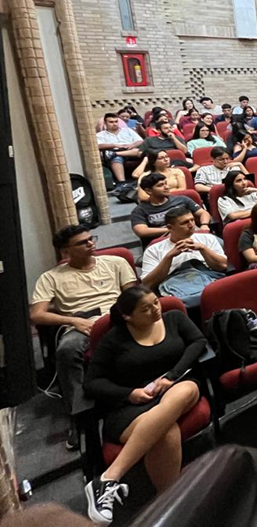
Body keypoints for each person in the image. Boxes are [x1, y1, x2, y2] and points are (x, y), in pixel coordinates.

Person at [82, 286, 205, 525]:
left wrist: (172, 376)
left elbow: (198, 341)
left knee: (186, 390)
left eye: (156, 303)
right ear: (128, 316)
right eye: (145, 309)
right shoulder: (114, 339)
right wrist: (130, 394)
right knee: (166, 430)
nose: (155, 310)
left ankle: (109, 477)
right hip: (132, 406)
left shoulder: (174, 318)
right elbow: (91, 383)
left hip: (175, 385)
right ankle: (168, 504)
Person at [30, 226, 138, 451]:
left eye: (91, 239)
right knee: (67, 351)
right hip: (81, 324)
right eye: (83, 242)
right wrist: (72, 321)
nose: (91, 244)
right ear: (65, 252)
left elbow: (133, 295)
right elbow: (37, 314)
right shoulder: (50, 277)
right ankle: (80, 415)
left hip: (116, 317)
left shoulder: (116, 263)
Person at [141, 208, 227, 305]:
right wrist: (169, 257)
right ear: (170, 227)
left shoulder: (207, 239)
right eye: (184, 223)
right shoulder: (153, 250)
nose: (191, 225)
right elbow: (147, 284)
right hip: (176, 288)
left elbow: (222, 266)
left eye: (192, 220)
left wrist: (203, 249)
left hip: (208, 280)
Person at [131, 174, 210, 245]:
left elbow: (203, 213)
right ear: (149, 191)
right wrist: (174, 230)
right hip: (164, 243)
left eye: (166, 183)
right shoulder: (140, 210)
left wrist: (204, 225)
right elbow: (142, 231)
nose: (167, 187)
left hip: (193, 236)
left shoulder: (182, 199)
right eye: (160, 185)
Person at [97, 112, 144, 191]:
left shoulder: (128, 130)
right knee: (117, 159)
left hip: (130, 150)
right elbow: (98, 145)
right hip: (114, 150)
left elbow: (140, 141)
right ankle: (122, 183)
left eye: (116, 121)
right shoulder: (100, 135)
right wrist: (115, 145)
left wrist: (132, 145)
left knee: (139, 151)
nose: (114, 124)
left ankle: (113, 154)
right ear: (105, 123)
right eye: (111, 122)